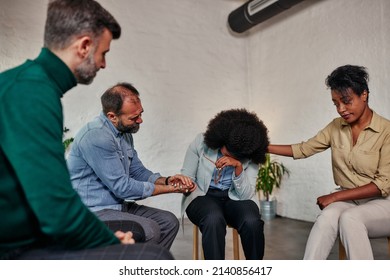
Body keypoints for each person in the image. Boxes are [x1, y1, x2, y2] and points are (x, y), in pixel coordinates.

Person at [0, 0, 173, 260]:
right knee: (154, 258)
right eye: (103, 53)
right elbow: (53, 204)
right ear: (83, 46)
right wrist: (105, 238)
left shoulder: (29, 84)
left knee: (157, 236)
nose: (103, 64)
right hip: (17, 247)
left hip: (34, 235)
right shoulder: (32, 93)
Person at [268, 65, 390, 260]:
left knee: (351, 219)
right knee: (326, 219)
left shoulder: (386, 131)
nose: (341, 109)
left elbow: (382, 185)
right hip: (350, 200)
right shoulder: (336, 127)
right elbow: (303, 149)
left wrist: (335, 197)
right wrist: (262, 146)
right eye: (336, 103)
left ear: (364, 95)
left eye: (346, 101)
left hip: (384, 204)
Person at [67, 82, 196, 250]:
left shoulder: (123, 133)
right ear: (112, 116)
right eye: (134, 118)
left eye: (140, 114)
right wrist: (172, 189)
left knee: (168, 222)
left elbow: (137, 171)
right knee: (150, 229)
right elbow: (122, 188)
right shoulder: (97, 137)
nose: (140, 120)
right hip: (93, 210)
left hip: (116, 206)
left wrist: (168, 180)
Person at [180, 108, 269, 260]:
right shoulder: (200, 143)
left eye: (233, 154)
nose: (224, 153)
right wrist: (185, 183)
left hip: (235, 197)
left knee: (252, 222)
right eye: (226, 149)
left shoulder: (251, 154)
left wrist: (238, 168)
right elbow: (186, 175)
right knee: (213, 218)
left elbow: (246, 194)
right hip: (203, 195)